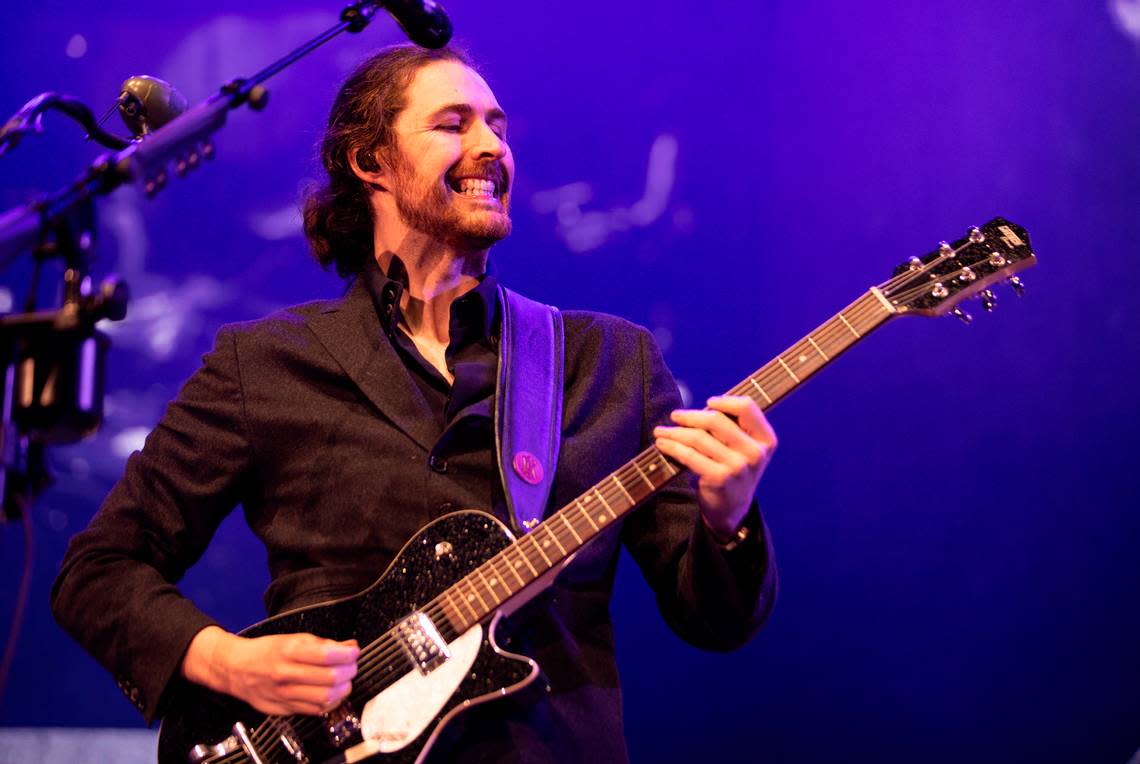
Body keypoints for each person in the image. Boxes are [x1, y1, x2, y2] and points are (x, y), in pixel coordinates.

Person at [51, 44, 779, 762]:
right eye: (453, 124)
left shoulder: (608, 361)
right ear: (369, 161)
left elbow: (714, 622)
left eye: (497, 124)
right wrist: (223, 661)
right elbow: (100, 569)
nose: (491, 145)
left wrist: (729, 520)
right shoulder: (267, 364)